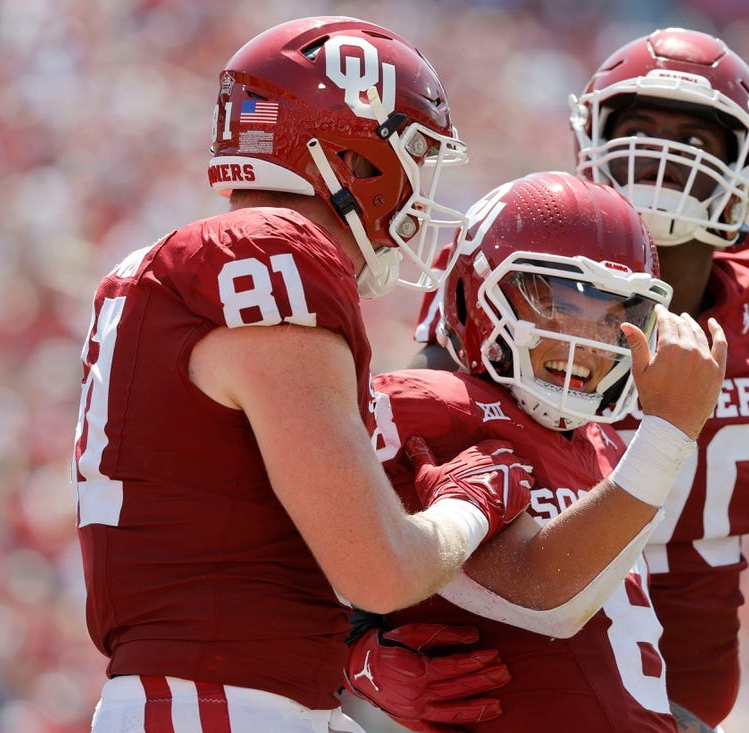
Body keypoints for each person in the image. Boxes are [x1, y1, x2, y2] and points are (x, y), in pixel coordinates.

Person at [407, 28, 749, 730]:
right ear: (592, 139)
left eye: (694, 139)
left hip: (678, 709)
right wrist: (359, 640)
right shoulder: (513, 264)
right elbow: (395, 487)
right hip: (521, 696)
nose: (662, 155)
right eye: (642, 128)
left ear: (744, 168)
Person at [70, 17, 535, 733]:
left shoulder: (162, 270)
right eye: (411, 151)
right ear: (348, 154)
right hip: (221, 703)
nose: (420, 186)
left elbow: (238, 537)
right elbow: (378, 568)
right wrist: (472, 501)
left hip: (208, 696)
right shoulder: (273, 250)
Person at [340, 170, 728, 732]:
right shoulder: (429, 404)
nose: (587, 340)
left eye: (615, 315)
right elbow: (546, 595)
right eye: (556, 299)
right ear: (475, 291)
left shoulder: (608, 448)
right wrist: (351, 657)